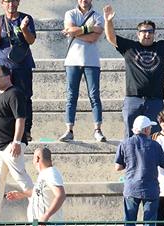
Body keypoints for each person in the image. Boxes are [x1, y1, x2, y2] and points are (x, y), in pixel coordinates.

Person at [103, 4, 164, 138]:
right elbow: (111, 37)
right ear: (138, 34)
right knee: (130, 137)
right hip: (133, 99)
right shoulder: (129, 47)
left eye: (150, 31)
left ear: (154, 34)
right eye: (144, 31)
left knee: (154, 138)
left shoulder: (161, 47)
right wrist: (108, 21)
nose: (147, 34)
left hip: (155, 100)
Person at [0, 65, 33, 224]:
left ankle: (39, 209)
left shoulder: (14, 93)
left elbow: (20, 118)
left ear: (7, 77)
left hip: (11, 145)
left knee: (21, 178)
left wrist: (17, 141)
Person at [115, 115, 164, 226]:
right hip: (151, 190)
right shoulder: (155, 145)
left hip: (131, 188)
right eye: (150, 128)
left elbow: (117, 167)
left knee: (129, 225)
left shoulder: (125, 143)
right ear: (145, 129)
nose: (151, 130)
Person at [0, 0, 37, 141]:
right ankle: (5, 130)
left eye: (14, 1)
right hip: (3, 67)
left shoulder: (26, 19)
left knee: (25, 98)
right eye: (8, 1)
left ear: (18, 2)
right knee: (2, 98)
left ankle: (26, 131)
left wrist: (23, 29)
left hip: (22, 66)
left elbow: (31, 40)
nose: (11, 4)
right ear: (2, 3)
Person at [60, 0, 106, 142]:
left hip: (91, 61)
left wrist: (75, 32)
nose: (83, 1)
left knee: (94, 96)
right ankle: (69, 130)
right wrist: (88, 28)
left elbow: (94, 37)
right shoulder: (70, 13)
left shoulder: (98, 16)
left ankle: (97, 129)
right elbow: (70, 29)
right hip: (72, 60)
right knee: (71, 96)